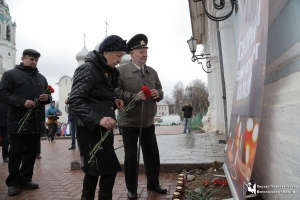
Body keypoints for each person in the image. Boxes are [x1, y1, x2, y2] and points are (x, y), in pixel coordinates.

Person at [69, 35, 127, 200]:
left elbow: (99, 96)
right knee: (108, 167)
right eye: (118, 55)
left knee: (94, 168)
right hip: (90, 127)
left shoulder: (107, 71)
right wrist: (97, 119)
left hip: (103, 126)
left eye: (121, 56)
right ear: (105, 52)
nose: (119, 60)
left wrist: (113, 100)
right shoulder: (88, 69)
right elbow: (76, 100)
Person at [117, 33, 167, 199]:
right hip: (129, 122)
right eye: (141, 51)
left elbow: (161, 91)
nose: (145, 54)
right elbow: (116, 93)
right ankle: (132, 189)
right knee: (131, 157)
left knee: (152, 154)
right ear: (131, 54)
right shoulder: (121, 71)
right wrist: (134, 97)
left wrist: (157, 93)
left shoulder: (152, 72)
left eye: (146, 51)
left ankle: (153, 183)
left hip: (147, 123)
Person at [0, 49, 52, 196]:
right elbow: (3, 94)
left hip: (35, 122)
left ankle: (25, 179)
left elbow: (48, 96)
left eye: (36, 60)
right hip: (18, 122)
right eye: (31, 59)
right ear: (23, 58)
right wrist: (22, 102)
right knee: (16, 154)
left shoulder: (41, 78)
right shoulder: (10, 75)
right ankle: (13, 183)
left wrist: (46, 98)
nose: (34, 62)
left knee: (30, 153)